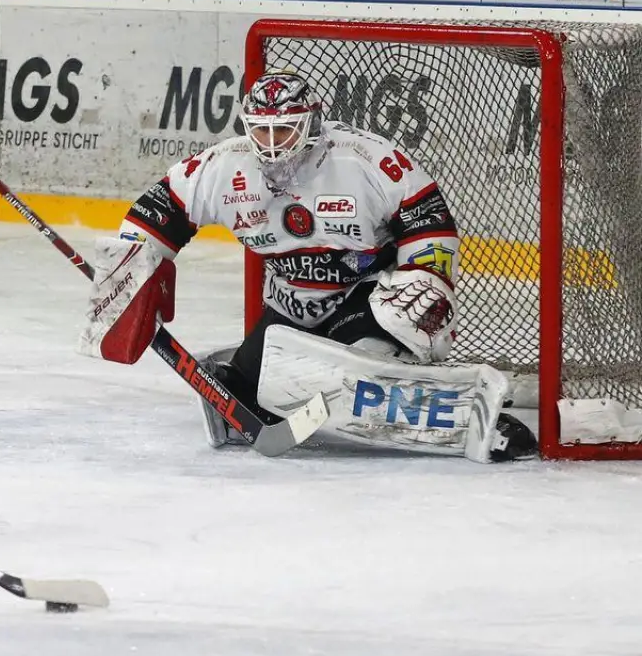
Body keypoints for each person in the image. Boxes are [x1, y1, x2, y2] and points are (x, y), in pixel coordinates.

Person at [82, 71, 535, 463]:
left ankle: (426, 395)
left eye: (286, 130)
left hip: (365, 302)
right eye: (262, 131)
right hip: (290, 313)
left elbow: (430, 222)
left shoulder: (363, 160)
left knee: (376, 354)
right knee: (242, 399)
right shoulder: (225, 167)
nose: (273, 144)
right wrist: (130, 277)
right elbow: (157, 212)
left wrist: (426, 283)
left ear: (312, 123)